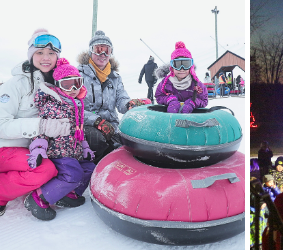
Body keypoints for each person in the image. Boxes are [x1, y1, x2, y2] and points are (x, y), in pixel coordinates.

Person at [0, 29, 66, 216]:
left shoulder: (54, 83)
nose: (46, 57)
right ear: (31, 55)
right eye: (40, 52)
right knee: (45, 170)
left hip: (32, 148)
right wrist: (40, 126)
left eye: (51, 53)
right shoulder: (16, 84)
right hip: (2, 148)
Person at [22, 58, 96, 221]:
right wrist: (39, 149)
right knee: (72, 174)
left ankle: (67, 194)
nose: (73, 89)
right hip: (58, 151)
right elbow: (41, 128)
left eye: (77, 83)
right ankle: (38, 198)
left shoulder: (77, 104)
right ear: (58, 85)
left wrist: (84, 147)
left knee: (90, 168)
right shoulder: (52, 105)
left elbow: (79, 130)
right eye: (67, 85)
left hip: (74, 150)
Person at [76, 30, 143, 163]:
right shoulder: (79, 75)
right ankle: (94, 166)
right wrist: (97, 121)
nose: (103, 54)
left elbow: (121, 99)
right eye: (98, 50)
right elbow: (75, 106)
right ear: (91, 52)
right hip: (88, 124)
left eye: (107, 50)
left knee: (126, 146)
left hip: (111, 126)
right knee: (97, 140)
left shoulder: (114, 78)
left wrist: (129, 104)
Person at [155, 41, 208, 113]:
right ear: (172, 67)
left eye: (186, 64)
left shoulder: (196, 84)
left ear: (191, 67)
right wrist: (169, 99)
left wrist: (193, 102)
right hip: (172, 118)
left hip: (190, 119)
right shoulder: (166, 83)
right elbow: (159, 96)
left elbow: (204, 100)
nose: (182, 69)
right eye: (177, 65)